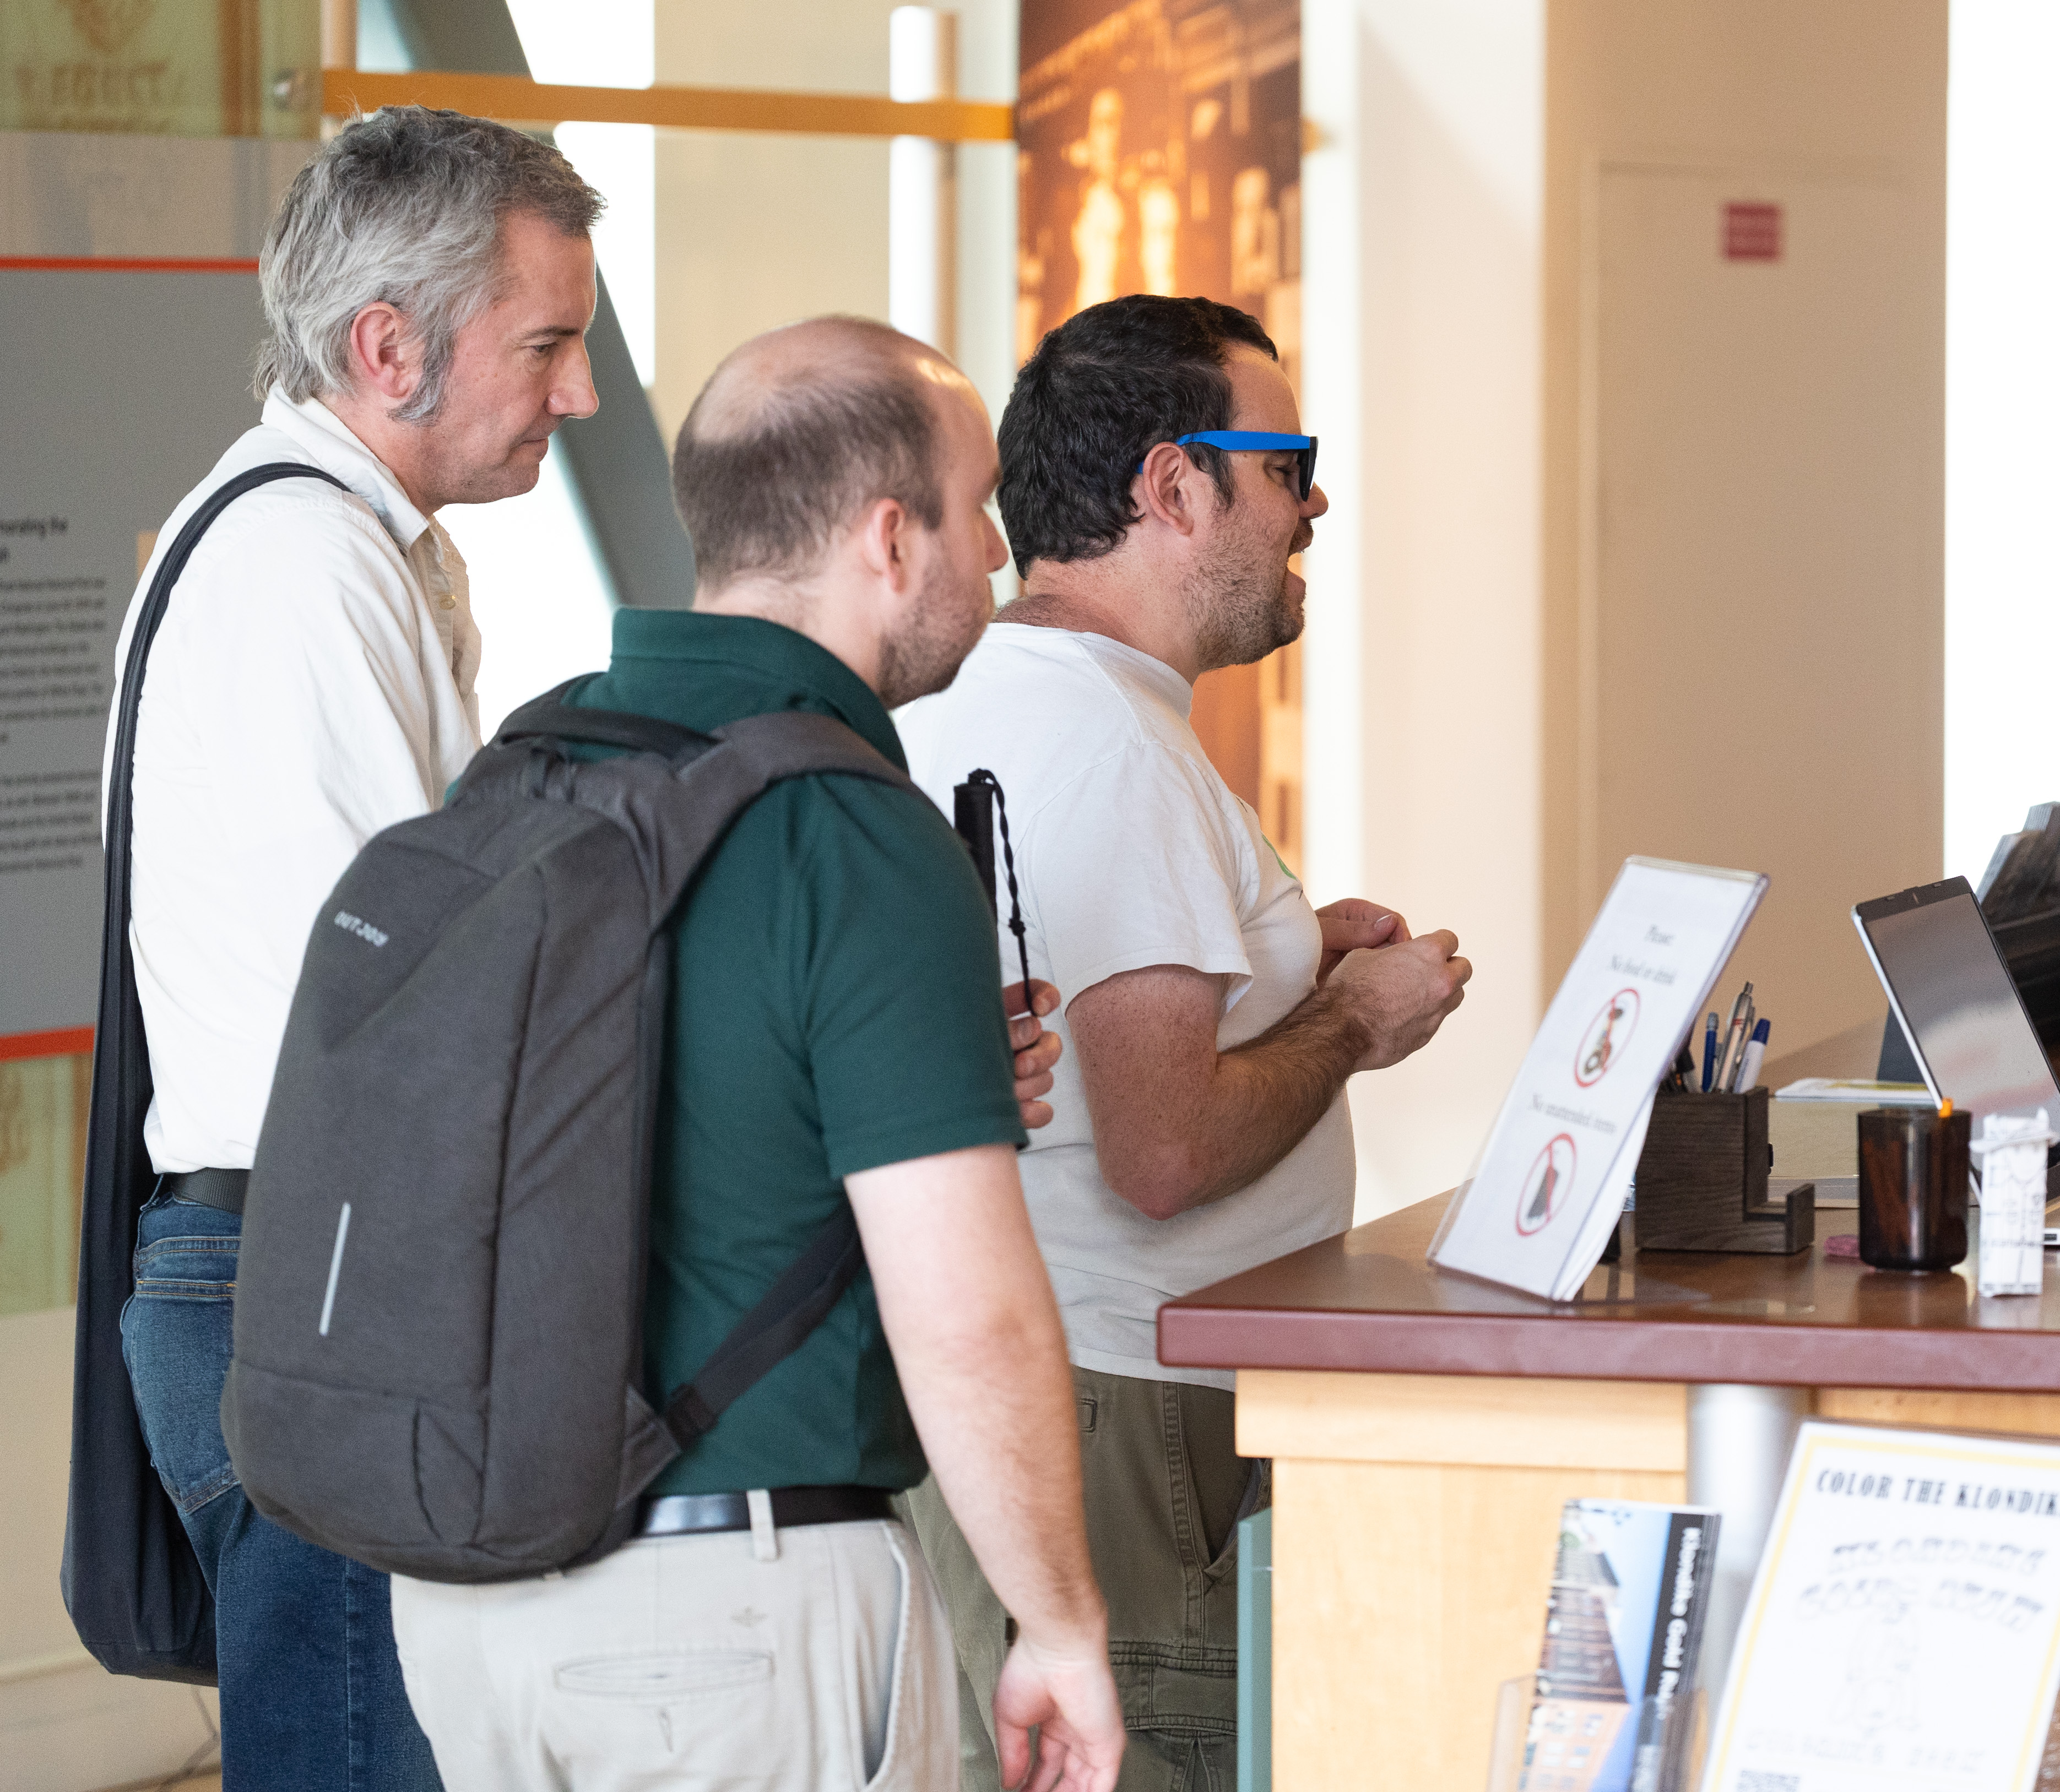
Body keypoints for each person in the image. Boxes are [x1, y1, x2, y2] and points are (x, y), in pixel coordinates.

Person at [382, 316, 1123, 1790]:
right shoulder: (847, 827)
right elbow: (966, 1308)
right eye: (977, 508)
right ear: (890, 538)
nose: (998, 553)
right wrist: (1060, 1620)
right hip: (729, 1614)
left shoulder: (524, 766)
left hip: (469, 1611)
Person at [894, 293, 1472, 1789]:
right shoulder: (1107, 743)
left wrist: (1283, 967)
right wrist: (1349, 1019)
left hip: (1066, 1389)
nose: (1314, 502)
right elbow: (1161, 1150)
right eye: (1288, 462)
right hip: (1131, 1410)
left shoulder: (1003, 695)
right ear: (1172, 487)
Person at [101, 106, 605, 1790]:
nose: (581, 392)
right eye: (549, 344)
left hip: (299, 1279)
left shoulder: (329, 549)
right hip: (320, 1291)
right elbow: (418, 1006)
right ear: (387, 347)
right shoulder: (303, 566)